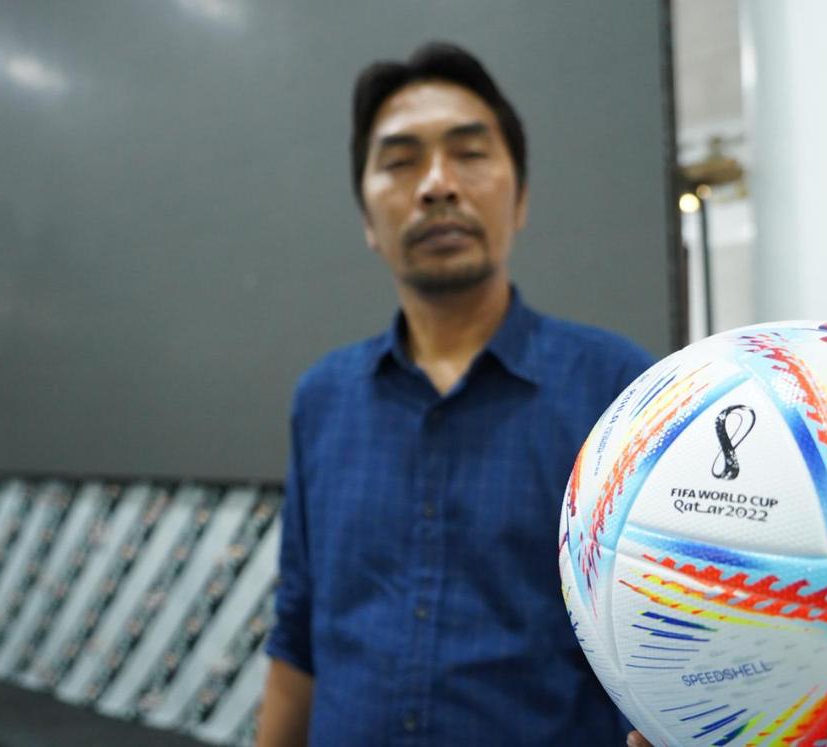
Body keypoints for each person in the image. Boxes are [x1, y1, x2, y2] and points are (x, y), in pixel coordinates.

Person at [257, 41, 655, 746]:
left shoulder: (619, 391)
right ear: (366, 220)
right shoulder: (322, 399)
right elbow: (298, 633)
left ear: (521, 197)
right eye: (400, 161)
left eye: (469, 153)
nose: (437, 184)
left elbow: (656, 642)